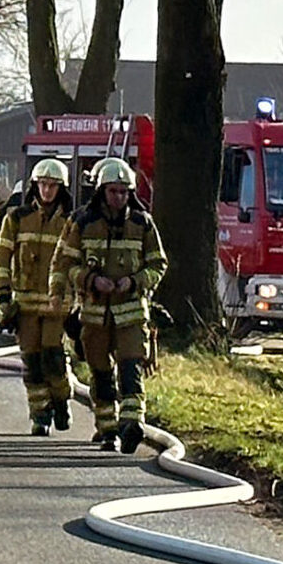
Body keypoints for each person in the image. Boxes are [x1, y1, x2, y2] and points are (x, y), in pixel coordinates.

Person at [57, 156, 168, 452]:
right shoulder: (82, 222)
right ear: (101, 191)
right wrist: (91, 280)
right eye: (112, 191)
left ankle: (132, 423)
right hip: (94, 315)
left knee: (131, 367)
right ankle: (107, 428)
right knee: (100, 371)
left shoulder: (142, 223)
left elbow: (158, 264)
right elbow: (66, 262)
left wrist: (134, 282)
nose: (119, 197)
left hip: (131, 313)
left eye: (123, 191)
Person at [0, 158, 77, 435]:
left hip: (57, 305)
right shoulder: (16, 218)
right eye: (43, 184)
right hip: (25, 305)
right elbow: (2, 258)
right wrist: (4, 296)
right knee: (31, 362)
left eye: (53, 186)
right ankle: (40, 415)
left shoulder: (72, 222)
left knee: (53, 359)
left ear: (61, 188)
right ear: (34, 186)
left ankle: (62, 400)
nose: (47, 191)